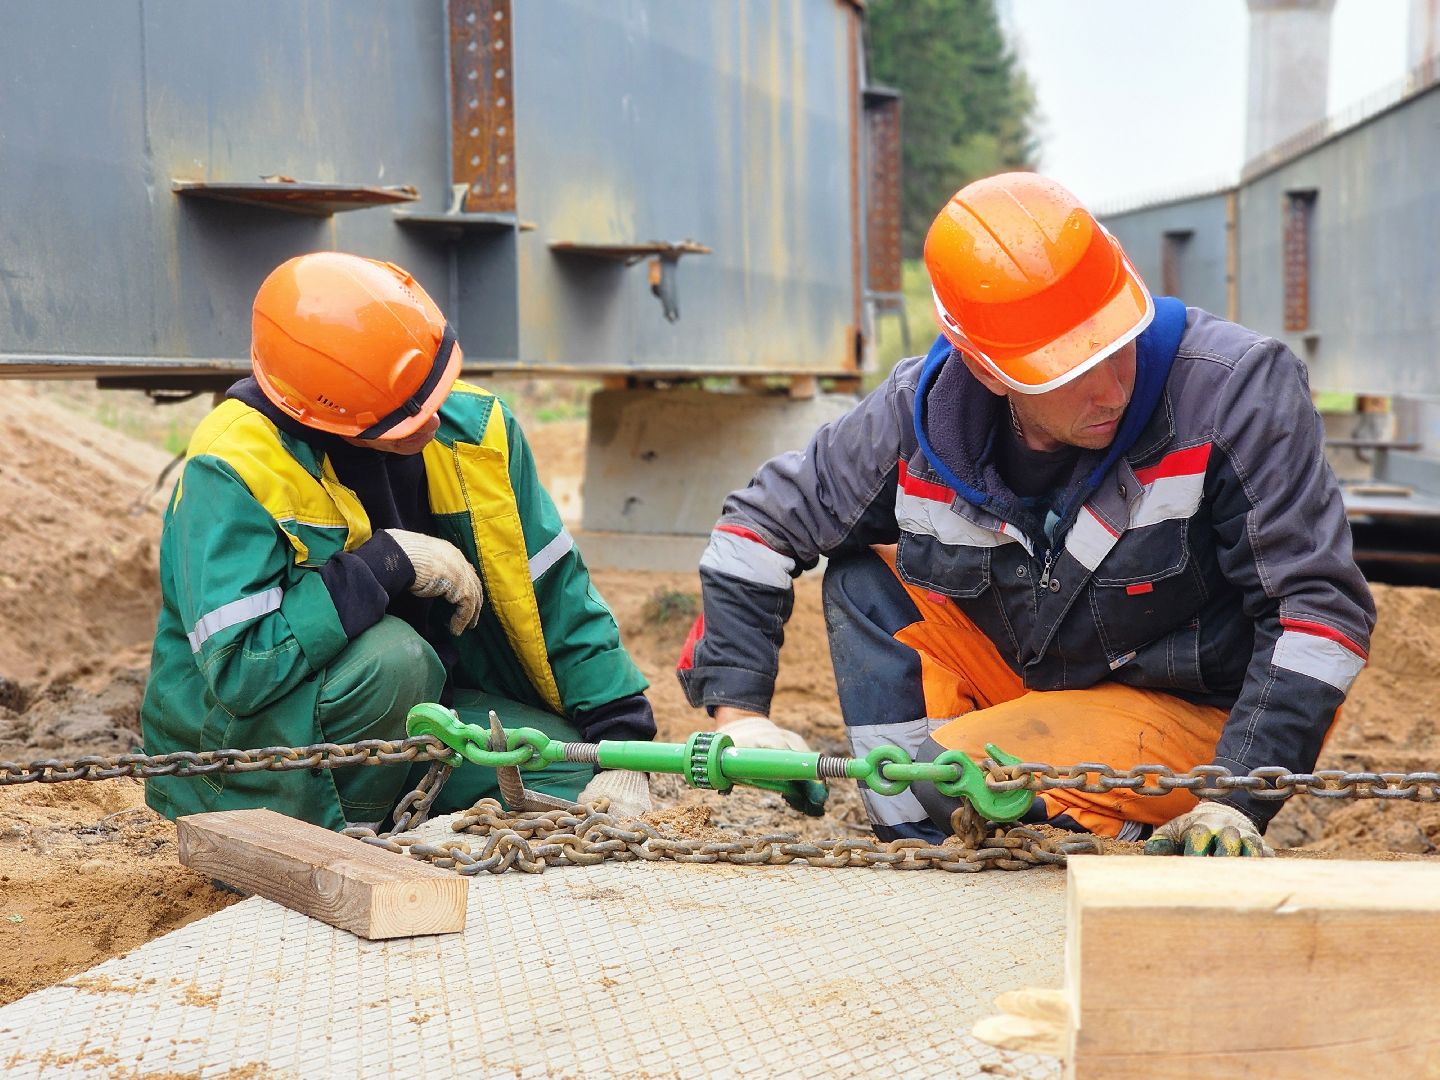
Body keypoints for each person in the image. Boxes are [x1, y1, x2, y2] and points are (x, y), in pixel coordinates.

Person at [678, 172, 1375, 857]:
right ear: (986, 368)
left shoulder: (1236, 393)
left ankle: (1108, 836)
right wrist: (741, 716)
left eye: (1117, 345)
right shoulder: (916, 419)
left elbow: (1318, 611)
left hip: (1198, 713)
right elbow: (756, 529)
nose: (1111, 389)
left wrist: (1237, 795)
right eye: (1069, 370)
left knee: (959, 776)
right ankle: (919, 847)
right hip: (1041, 682)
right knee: (863, 581)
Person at [142, 252, 655, 830]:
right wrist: (383, 566)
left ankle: (398, 800)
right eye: (403, 415)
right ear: (325, 413)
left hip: (419, 715)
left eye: (433, 391)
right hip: (256, 748)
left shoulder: (477, 434)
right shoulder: (234, 466)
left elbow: (554, 590)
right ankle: (351, 838)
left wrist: (622, 738)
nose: (432, 420)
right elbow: (243, 668)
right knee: (395, 659)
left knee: (567, 771)